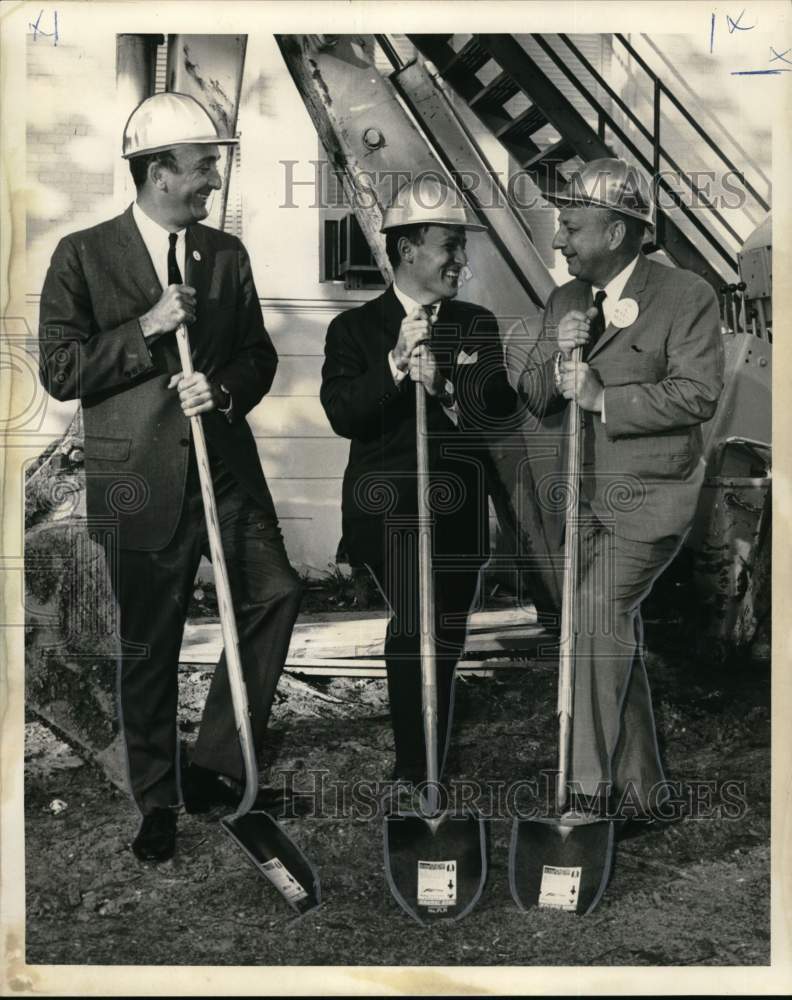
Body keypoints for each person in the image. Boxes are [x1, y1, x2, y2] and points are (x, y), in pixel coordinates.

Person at [38, 92, 303, 862]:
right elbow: (60, 370)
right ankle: (157, 795)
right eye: (203, 165)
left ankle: (216, 763)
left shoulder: (226, 255)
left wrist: (218, 389)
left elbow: (258, 356)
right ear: (158, 171)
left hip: (223, 470)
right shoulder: (82, 255)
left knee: (275, 591)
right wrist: (145, 329)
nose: (213, 179)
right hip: (138, 481)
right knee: (149, 642)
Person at [518, 157, 723, 822]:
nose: (558, 240)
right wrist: (559, 359)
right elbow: (535, 396)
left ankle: (584, 796)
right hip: (580, 506)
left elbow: (696, 393)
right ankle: (645, 794)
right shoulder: (565, 301)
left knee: (594, 619)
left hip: (650, 502)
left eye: (571, 226)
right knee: (610, 636)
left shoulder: (686, 295)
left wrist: (606, 395)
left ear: (615, 232)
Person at [321, 176, 517, 791]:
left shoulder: (476, 325)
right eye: (448, 246)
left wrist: (443, 387)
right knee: (417, 617)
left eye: (461, 247)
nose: (461, 260)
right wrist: (395, 368)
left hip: (457, 505)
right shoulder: (354, 332)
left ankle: (430, 728)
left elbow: (496, 416)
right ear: (407, 250)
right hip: (388, 507)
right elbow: (342, 415)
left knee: (448, 625)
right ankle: (417, 764)